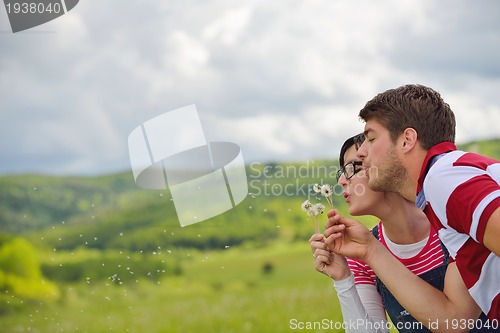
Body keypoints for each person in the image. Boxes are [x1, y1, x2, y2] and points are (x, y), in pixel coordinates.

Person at [324, 84, 499, 321]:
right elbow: (453, 319)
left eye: (371, 138)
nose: (363, 153)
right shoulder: (441, 195)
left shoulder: (441, 177)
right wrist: (365, 254)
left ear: (407, 140)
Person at [310, 133, 486, 333]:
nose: (342, 180)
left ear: (386, 168)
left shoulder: (451, 224)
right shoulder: (361, 253)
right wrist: (343, 279)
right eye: (341, 172)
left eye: (353, 168)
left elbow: (457, 322)